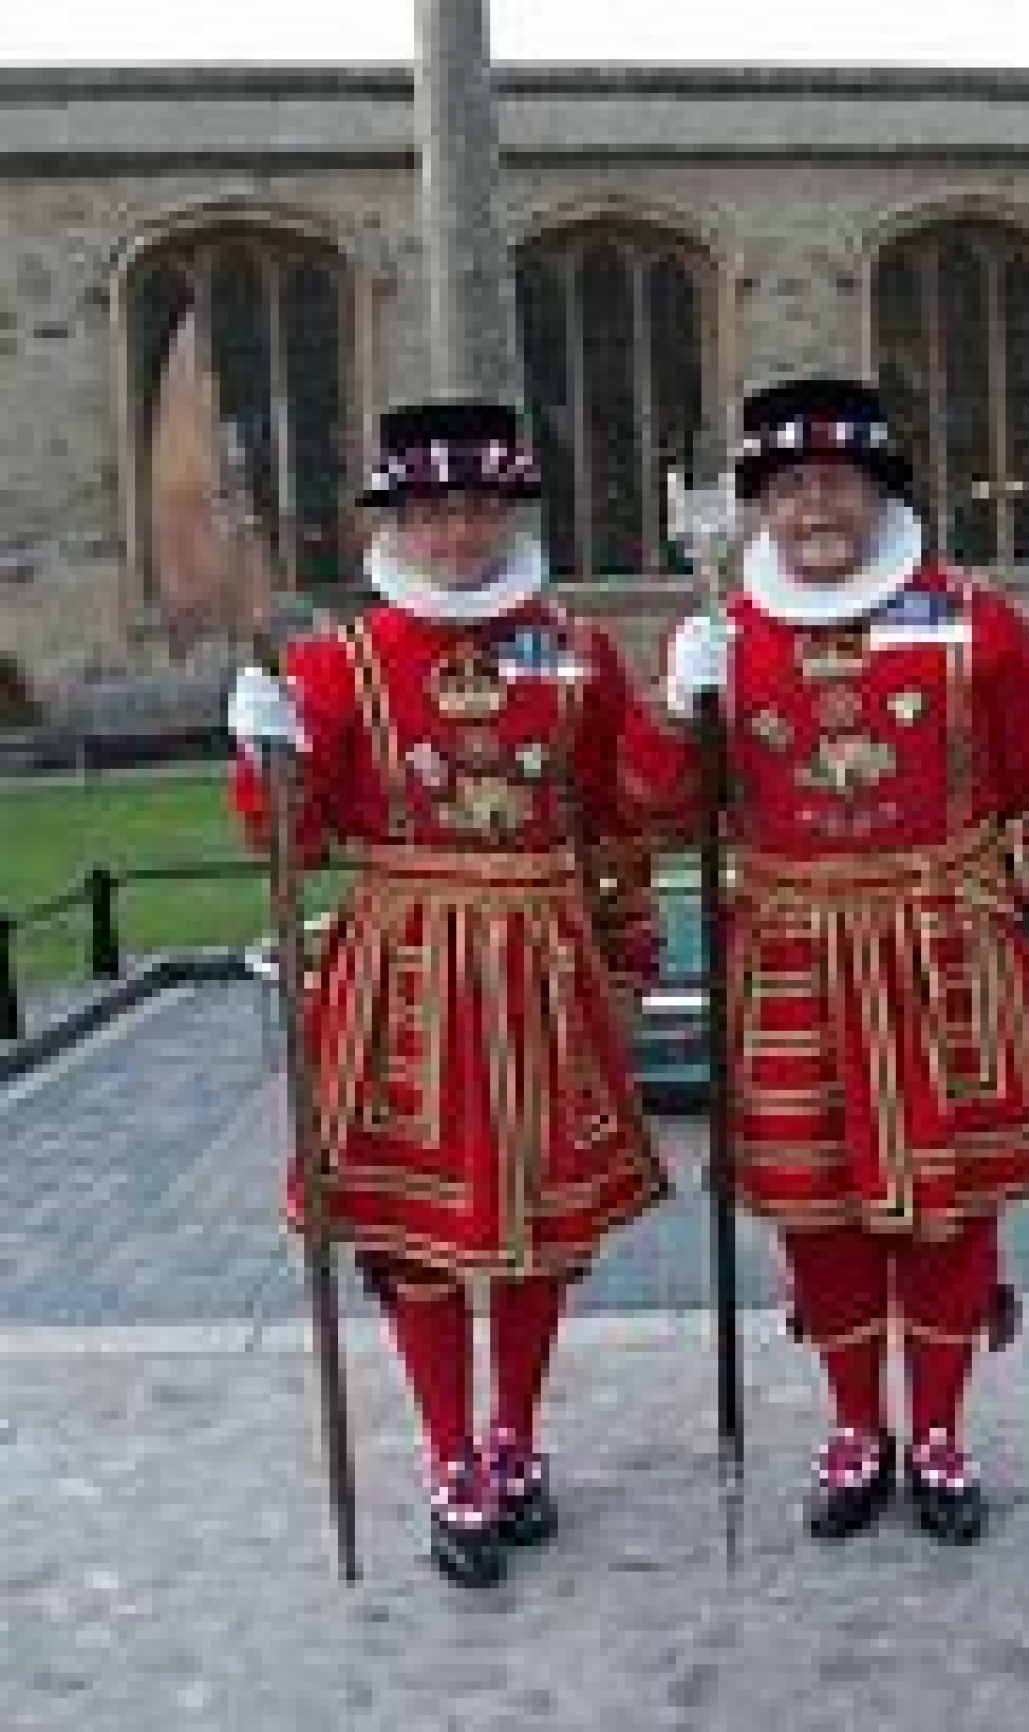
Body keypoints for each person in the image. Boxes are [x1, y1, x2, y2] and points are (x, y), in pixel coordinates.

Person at [662, 377, 1029, 1543]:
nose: (815, 507)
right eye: (790, 488)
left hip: (946, 955)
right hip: (792, 963)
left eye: (838, 483)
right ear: (761, 507)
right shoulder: (728, 635)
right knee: (819, 1215)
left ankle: (938, 1434)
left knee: (948, 1212)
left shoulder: (979, 623)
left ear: (880, 493)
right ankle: (854, 1428)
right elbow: (668, 814)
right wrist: (679, 714)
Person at [228, 399, 667, 1588]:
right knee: (413, 1229)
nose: (456, 533)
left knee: (537, 1226)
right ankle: (450, 1455)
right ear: (396, 524)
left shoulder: (573, 651)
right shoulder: (336, 662)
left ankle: (515, 1435)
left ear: (509, 513)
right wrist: (265, 756)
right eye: (431, 512)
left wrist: (630, 949)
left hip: (544, 966)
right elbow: (293, 840)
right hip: (405, 972)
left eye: (477, 508)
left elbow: (623, 820)